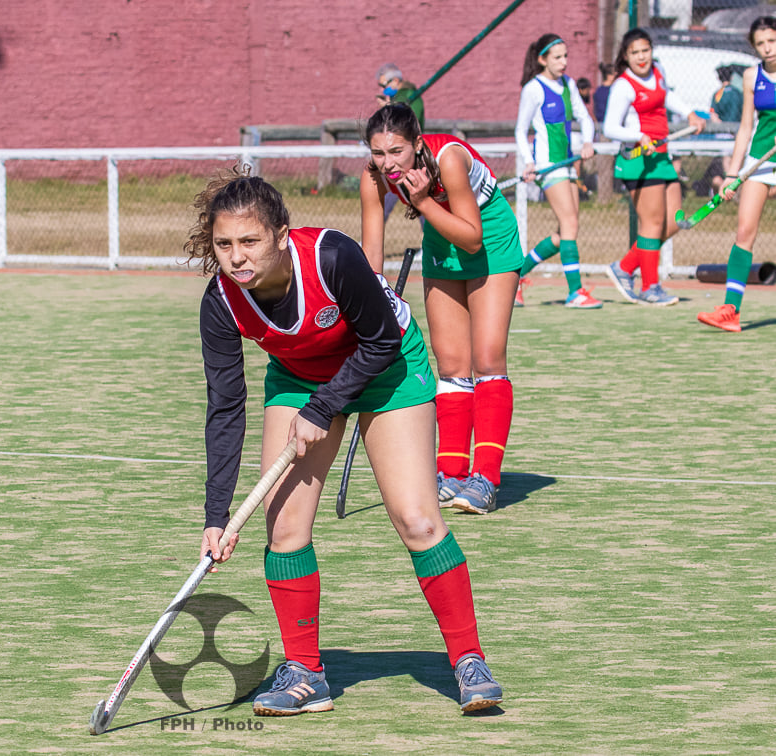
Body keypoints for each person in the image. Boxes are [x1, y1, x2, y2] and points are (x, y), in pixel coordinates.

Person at [189, 169, 503, 717]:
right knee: (283, 527)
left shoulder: (332, 257)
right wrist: (216, 514)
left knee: (418, 519)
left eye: (249, 241)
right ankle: (306, 672)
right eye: (224, 245)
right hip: (300, 376)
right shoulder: (221, 300)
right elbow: (225, 408)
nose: (236, 258)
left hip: (388, 366)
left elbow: (381, 339)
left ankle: (468, 658)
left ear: (281, 235)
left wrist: (324, 408)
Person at [360, 104, 519, 515]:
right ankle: (450, 473)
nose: (387, 163)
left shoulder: (448, 158)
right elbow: (372, 248)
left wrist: (424, 202)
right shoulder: (373, 176)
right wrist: (373, 296)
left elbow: (471, 237)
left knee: (486, 357)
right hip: (438, 240)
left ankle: (486, 478)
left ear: (416, 144)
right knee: (450, 363)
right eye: (378, 153)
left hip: (488, 238)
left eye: (396, 152)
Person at [602, 27, 705, 306]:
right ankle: (650, 287)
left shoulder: (658, 71)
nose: (641, 57)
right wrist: (639, 136)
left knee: (673, 222)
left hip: (661, 156)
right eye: (635, 53)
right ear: (626, 55)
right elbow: (610, 127)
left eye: (645, 50)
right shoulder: (623, 85)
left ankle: (624, 267)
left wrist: (690, 113)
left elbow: (665, 96)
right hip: (637, 160)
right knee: (652, 223)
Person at [698, 17, 776, 332]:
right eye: (760, 44)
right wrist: (733, 173)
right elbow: (745, 127)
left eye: (772, 40)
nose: (767, 49)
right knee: (744, 232)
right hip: (760, 161)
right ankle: (731, 310)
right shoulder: (751, 76)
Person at [512, 34, 601, 309]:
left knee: (564, 233)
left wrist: (588, 142)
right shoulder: (533, 89)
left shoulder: (568, 84)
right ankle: (575, 292)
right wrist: (529, 162)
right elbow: (520, 130)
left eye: (566, 56)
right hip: (548, 167)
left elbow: (584, 117)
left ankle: (515, 278)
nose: (564, 62)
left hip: (568, 163)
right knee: (570, 224)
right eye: (557, 57)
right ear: (542, 59)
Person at [375, 63, 425, 130]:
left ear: (395, 80)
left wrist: (388, 108)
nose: (382, 89)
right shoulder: (395, 97)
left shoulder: (410, 95)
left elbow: (412, 122)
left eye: (384, 85)